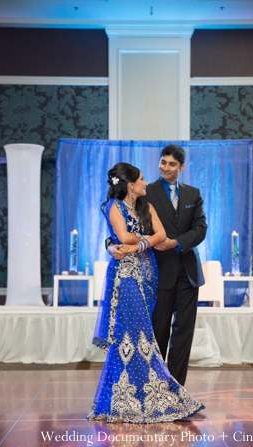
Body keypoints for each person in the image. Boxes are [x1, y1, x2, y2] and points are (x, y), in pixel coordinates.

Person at [87, 162, 204, 423]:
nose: (145, 183)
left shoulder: (146, 205)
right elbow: (122, 237)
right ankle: (124, 398)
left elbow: (160, 234)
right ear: (130, 184)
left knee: (144, 332)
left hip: (149, 274)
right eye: (140, 179)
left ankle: (143, 394)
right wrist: (135, 244)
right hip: (126, 276)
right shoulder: (114, 206)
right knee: (131, 336)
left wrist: (140, 244)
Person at [110, 146, 207, 386]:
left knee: (184, 334)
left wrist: (175, 242)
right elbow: (122, 227)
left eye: (172, 164)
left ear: (181, 167)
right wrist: (110, 247)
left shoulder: (193, 194)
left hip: (188, 272)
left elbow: (201, 229)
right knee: (158, 331)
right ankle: (155, 386)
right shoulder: (145, 191)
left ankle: (176, 389)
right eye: (163, 162)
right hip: (156, 273)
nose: (165, 167)